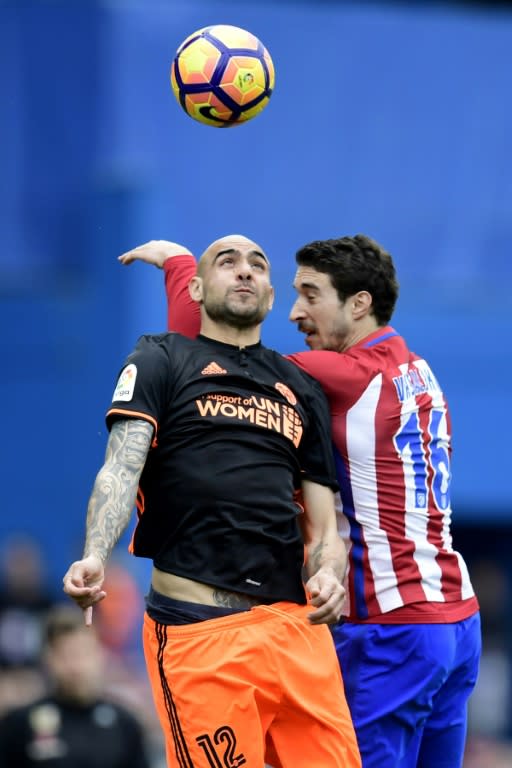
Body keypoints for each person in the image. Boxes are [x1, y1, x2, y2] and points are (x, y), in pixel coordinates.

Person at [121, 235, 482, 768]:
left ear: (359, 303)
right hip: (459, 621)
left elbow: (208, 349)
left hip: (393, 626)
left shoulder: (344, 376)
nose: (295, 313)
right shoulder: (419, 372)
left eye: (311, 295)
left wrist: (179, 268)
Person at [63, 234, 361, 768]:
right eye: (227, 262)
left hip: (295, 630)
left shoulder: (302, 387)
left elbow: (323, 527)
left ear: (271, 296)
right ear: (197, 288)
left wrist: (329, 574)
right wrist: (94, 554)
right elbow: (121, 467)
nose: (244, 271)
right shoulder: (160, 357)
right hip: (201, 632)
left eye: (257, 264)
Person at [0, 604, 151, 768]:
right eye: (66, 655)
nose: (76, 666)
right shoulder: (20, 724)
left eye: (83, 653)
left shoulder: (125, 725)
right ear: (48, 659)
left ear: (100, 655)